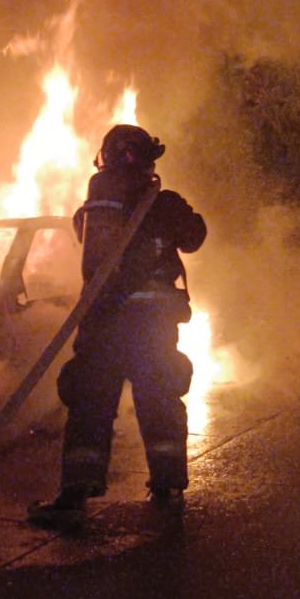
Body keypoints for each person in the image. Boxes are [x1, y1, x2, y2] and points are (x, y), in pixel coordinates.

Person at [28, 123, 207, 528]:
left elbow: (84, 241)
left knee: (90, 403)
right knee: (160, 400)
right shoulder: (165, 204)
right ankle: (168, 485)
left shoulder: (95, 207)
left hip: (104, 325)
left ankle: (74, 495)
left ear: (105, 159)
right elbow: (195, 236)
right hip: (153, 330)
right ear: (147, 161)